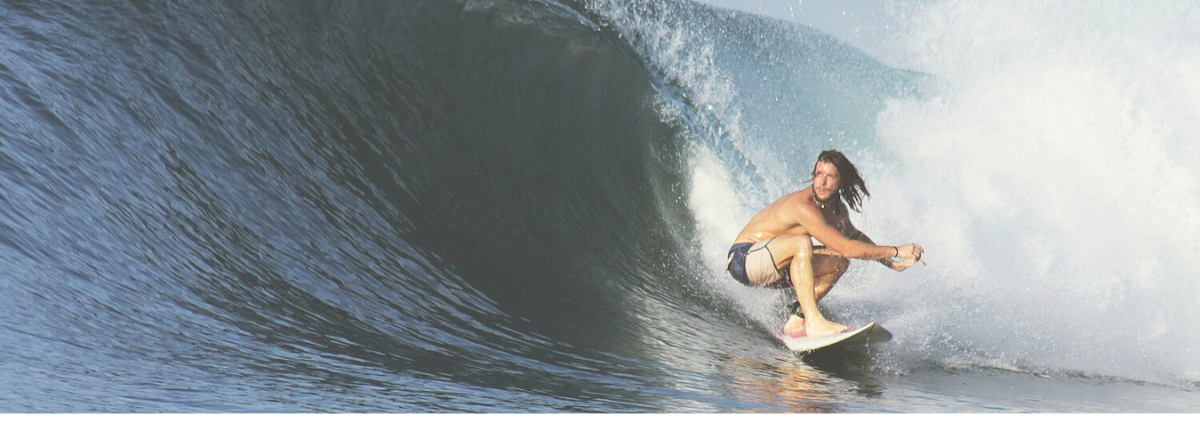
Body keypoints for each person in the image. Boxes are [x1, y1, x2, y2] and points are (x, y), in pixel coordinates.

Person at [726, 150, 924, 338]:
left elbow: (854, 238)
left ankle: (798, 319)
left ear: (841, 181)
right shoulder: (803, 207)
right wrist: (898, 249)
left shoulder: (835, 209)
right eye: (818, 174)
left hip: (774, 267)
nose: (822, 182)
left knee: (839, 261)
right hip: (744, 259)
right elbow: (847, 247)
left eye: (830, 176)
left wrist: (892, 261)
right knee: (803, 243)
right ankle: (814, 321)